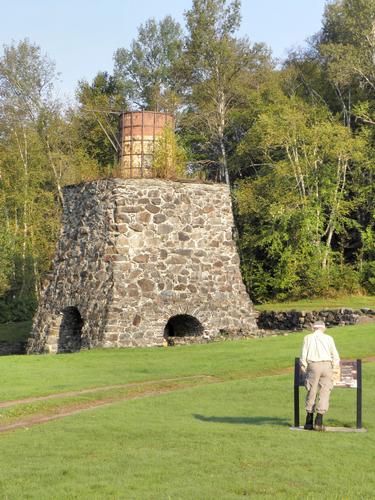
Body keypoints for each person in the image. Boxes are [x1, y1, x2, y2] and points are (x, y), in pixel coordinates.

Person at [300, 321, 340, 431]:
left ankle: (308, 422)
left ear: (314, 328)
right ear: (323, 328)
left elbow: (303, 356)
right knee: (325, 392)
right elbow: (335, 356)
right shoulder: (329, 338)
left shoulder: (307, 338)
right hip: (327, 365)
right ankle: (319, 421)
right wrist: (334, 368)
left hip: (313, 365)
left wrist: (304, 368)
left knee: (311, 391)